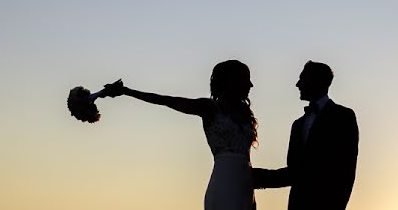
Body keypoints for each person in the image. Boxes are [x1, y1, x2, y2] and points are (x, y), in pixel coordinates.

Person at [102, 59, 258, 210]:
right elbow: (165, 100)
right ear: (230, 81)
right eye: (245, 79)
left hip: (245, 187)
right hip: (223, 183)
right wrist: (126, 91)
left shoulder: (245, 114)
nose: (250, 85)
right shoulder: (209, 108)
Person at [253, 61, 358, 210]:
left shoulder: (343, 116)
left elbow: (347, 169)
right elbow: (295, 170)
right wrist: (254, 177)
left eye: (303, 78)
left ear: (319, 81)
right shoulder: (297, 125)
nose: (298, 84)